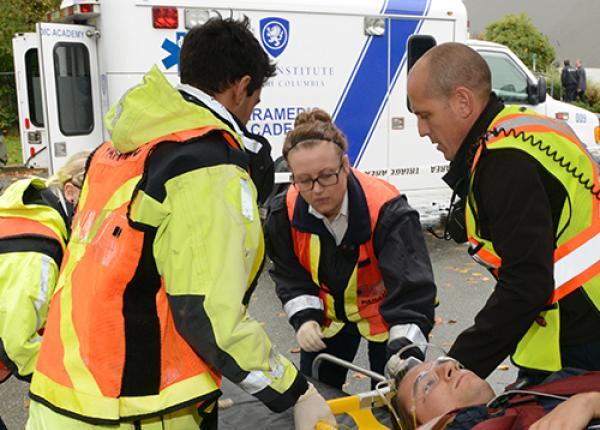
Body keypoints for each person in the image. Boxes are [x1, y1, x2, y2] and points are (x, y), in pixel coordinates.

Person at [26, 18, 335, 430]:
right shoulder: (204, 165)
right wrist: (295, 390)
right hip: (137, 407)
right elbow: (209, 316)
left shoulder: (118, 151)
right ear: (241, 87)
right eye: (254, 102)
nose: (251, 115)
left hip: (62, 397)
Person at [406, 42, 600, 384]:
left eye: (425, 115)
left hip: (581, 337)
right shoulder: (517, 130)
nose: (422, 131)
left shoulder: (503, 160)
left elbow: (527, 283)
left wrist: (457, 366)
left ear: (462, 102)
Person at [264, 108, 437, 390]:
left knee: (391, 399)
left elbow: (412, 291)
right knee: (317, 398)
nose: (317, 189)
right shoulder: (284, 212)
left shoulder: (387, 211)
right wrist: (305, 319)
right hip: (326, 319)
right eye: (304, 180)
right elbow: (290, 274)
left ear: (345, 165)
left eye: (327, 175)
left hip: (387, 316)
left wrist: (406, 351)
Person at [0, 151, 88, 384]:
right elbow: (19, 344)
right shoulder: (38, 252)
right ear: (70, 192)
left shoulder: (31, 214)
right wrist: (69, 370)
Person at [391, 354, 600, 429]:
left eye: (445, 363)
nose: (450, 368)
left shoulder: (552, 385)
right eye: (427, 385)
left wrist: (590, 403)